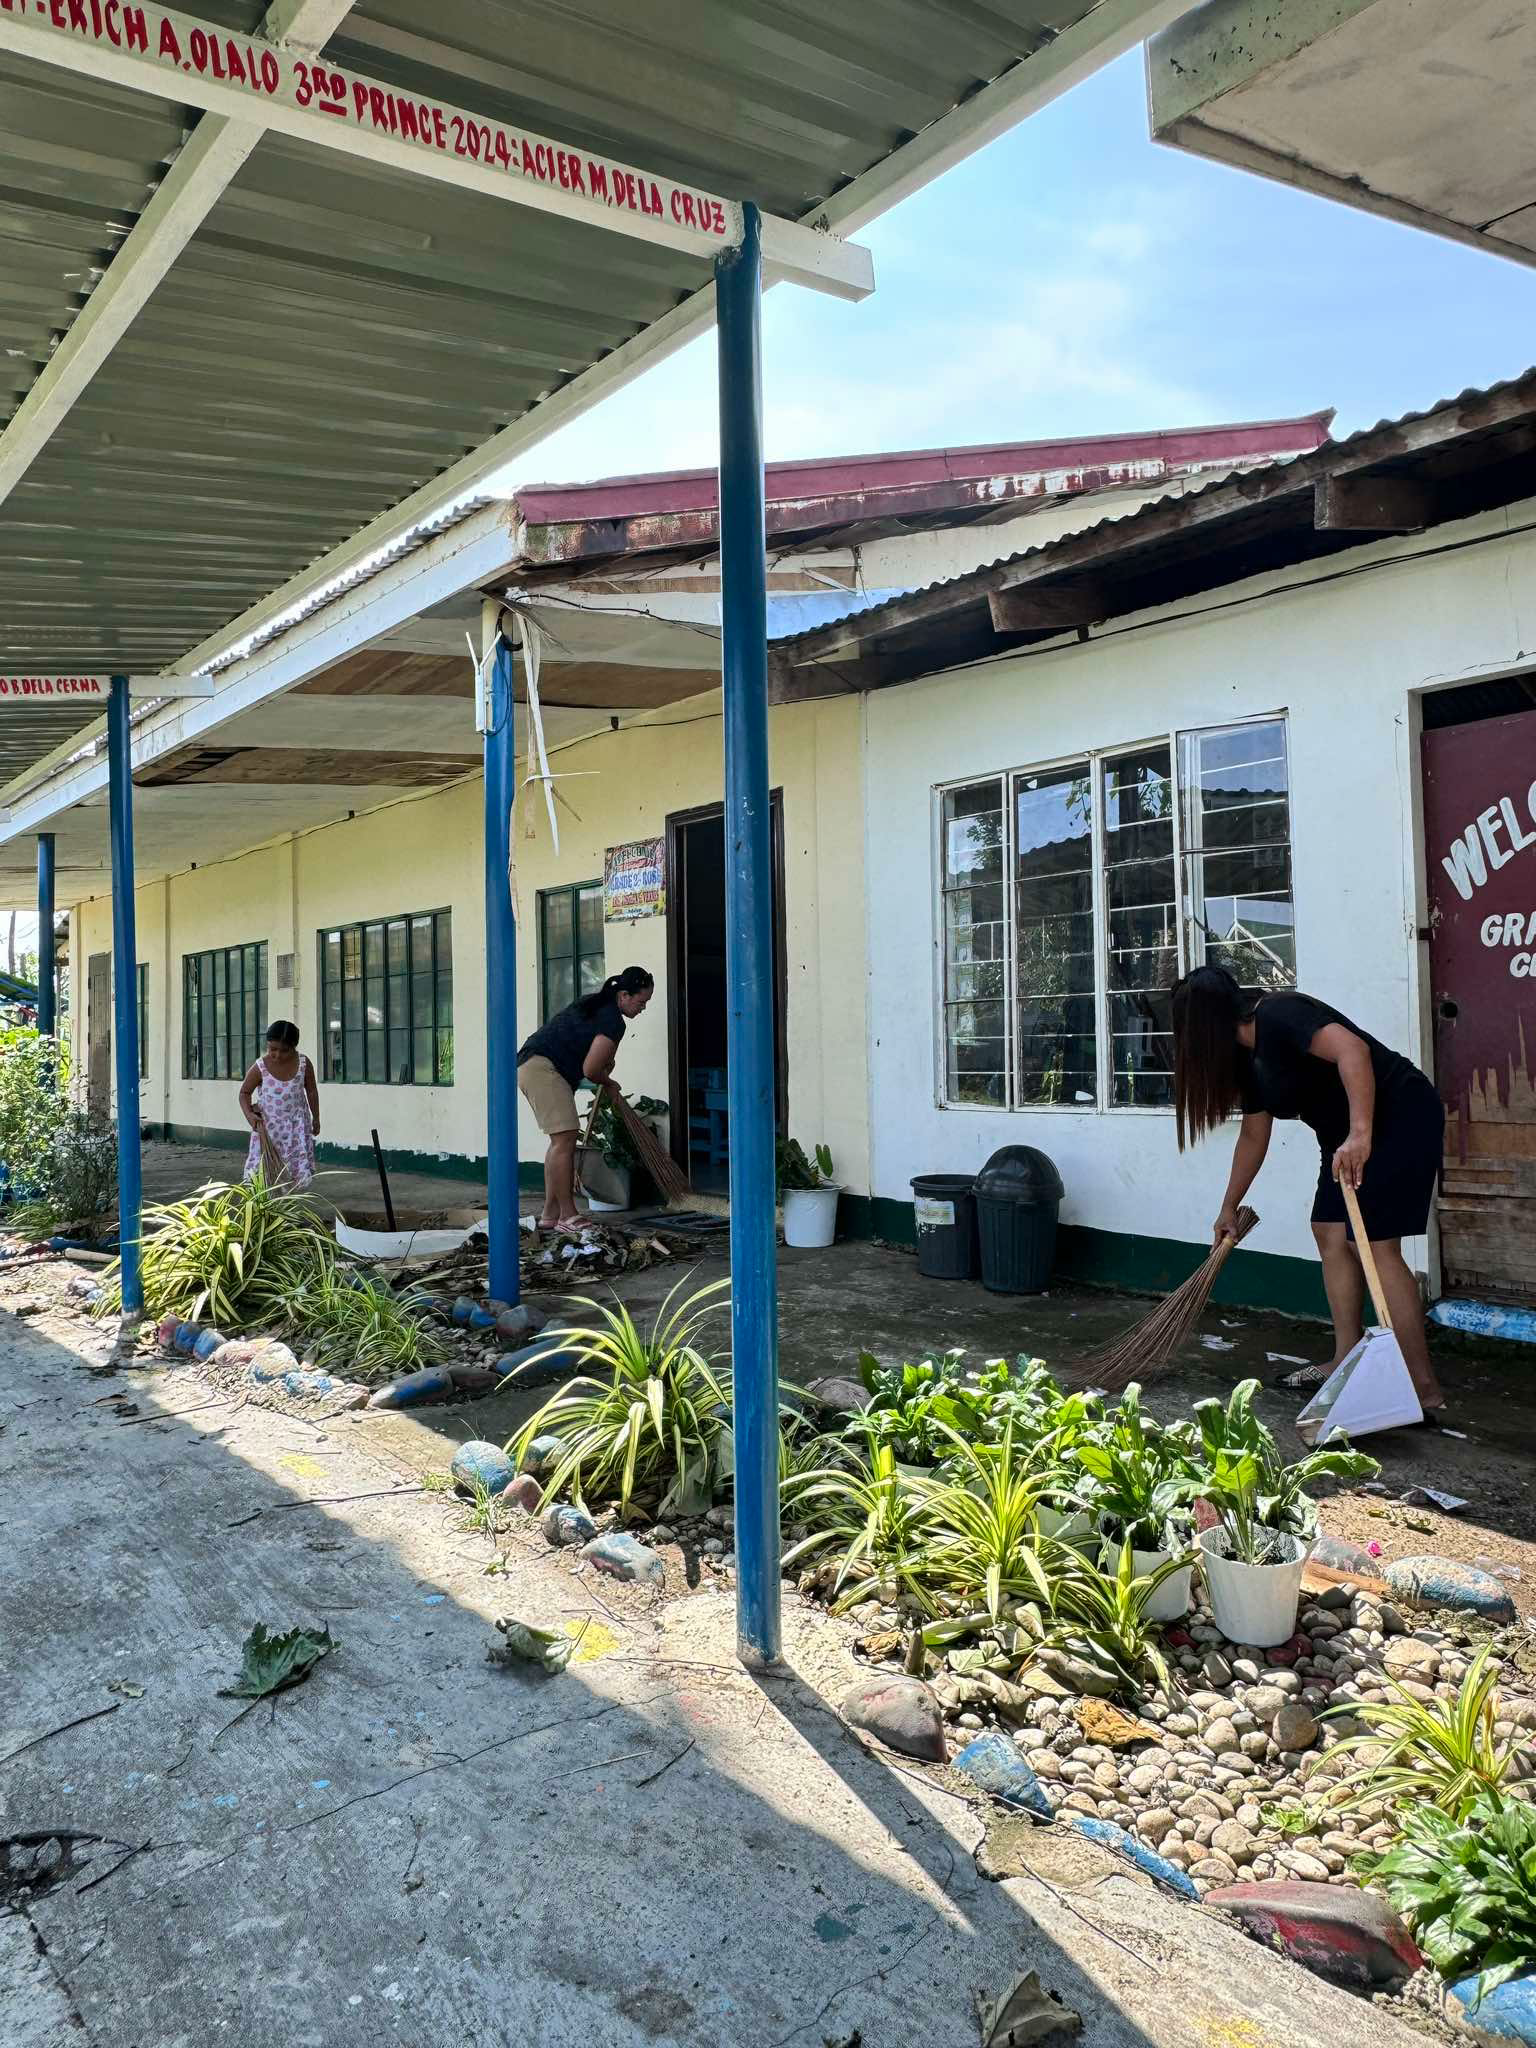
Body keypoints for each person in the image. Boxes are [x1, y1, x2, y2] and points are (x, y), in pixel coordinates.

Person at [1170, 965, 1445, 1414]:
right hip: (1342, 1135)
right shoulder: (1246, 1060)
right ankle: (1345, 1357)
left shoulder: (1280, 1014)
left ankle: (1421, 1386)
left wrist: (1360, 1134)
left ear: (1203, 1023)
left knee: (1374, 1245)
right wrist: (1228, 1206)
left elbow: (1353, 1051)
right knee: (1329, 1231)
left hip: (1398, 1116)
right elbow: (1253, 1136)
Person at [517, 967, 654, 1230]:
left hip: (532, 1064)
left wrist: (605, 1069)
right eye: (641, 1002)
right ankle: (568, 1216)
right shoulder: (613, 1021)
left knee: (560, 1142)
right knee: (565, 1141)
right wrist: (609, 1082)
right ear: (624, 995)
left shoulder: (595, 1004)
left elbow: (594, 1059)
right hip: (544, 1069)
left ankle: (550, 1215)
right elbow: (591, 1070)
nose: (643, 1008)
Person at [238, 1020, 319, 1190]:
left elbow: (311, 1091)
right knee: (266, 1171)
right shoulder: (260, 1067)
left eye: (284, 1050)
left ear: (294, 1047)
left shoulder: (304, 1064)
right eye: (272, 1049)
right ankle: (268, 1202)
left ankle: (290, 1201)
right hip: (269, 1130)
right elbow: (244, 1093)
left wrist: (316, 1118)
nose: (277, 1055)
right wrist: (250, 1115)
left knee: (293, 1173)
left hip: (296, 1128)